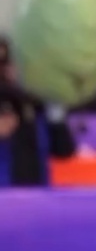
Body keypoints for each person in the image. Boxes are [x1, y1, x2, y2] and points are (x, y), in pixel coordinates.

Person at [0, 36, 76, 187]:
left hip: (36, 193)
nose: (11, 69)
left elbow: (64, 151)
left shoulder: (40, 105)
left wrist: (57, 118)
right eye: (5, 64)